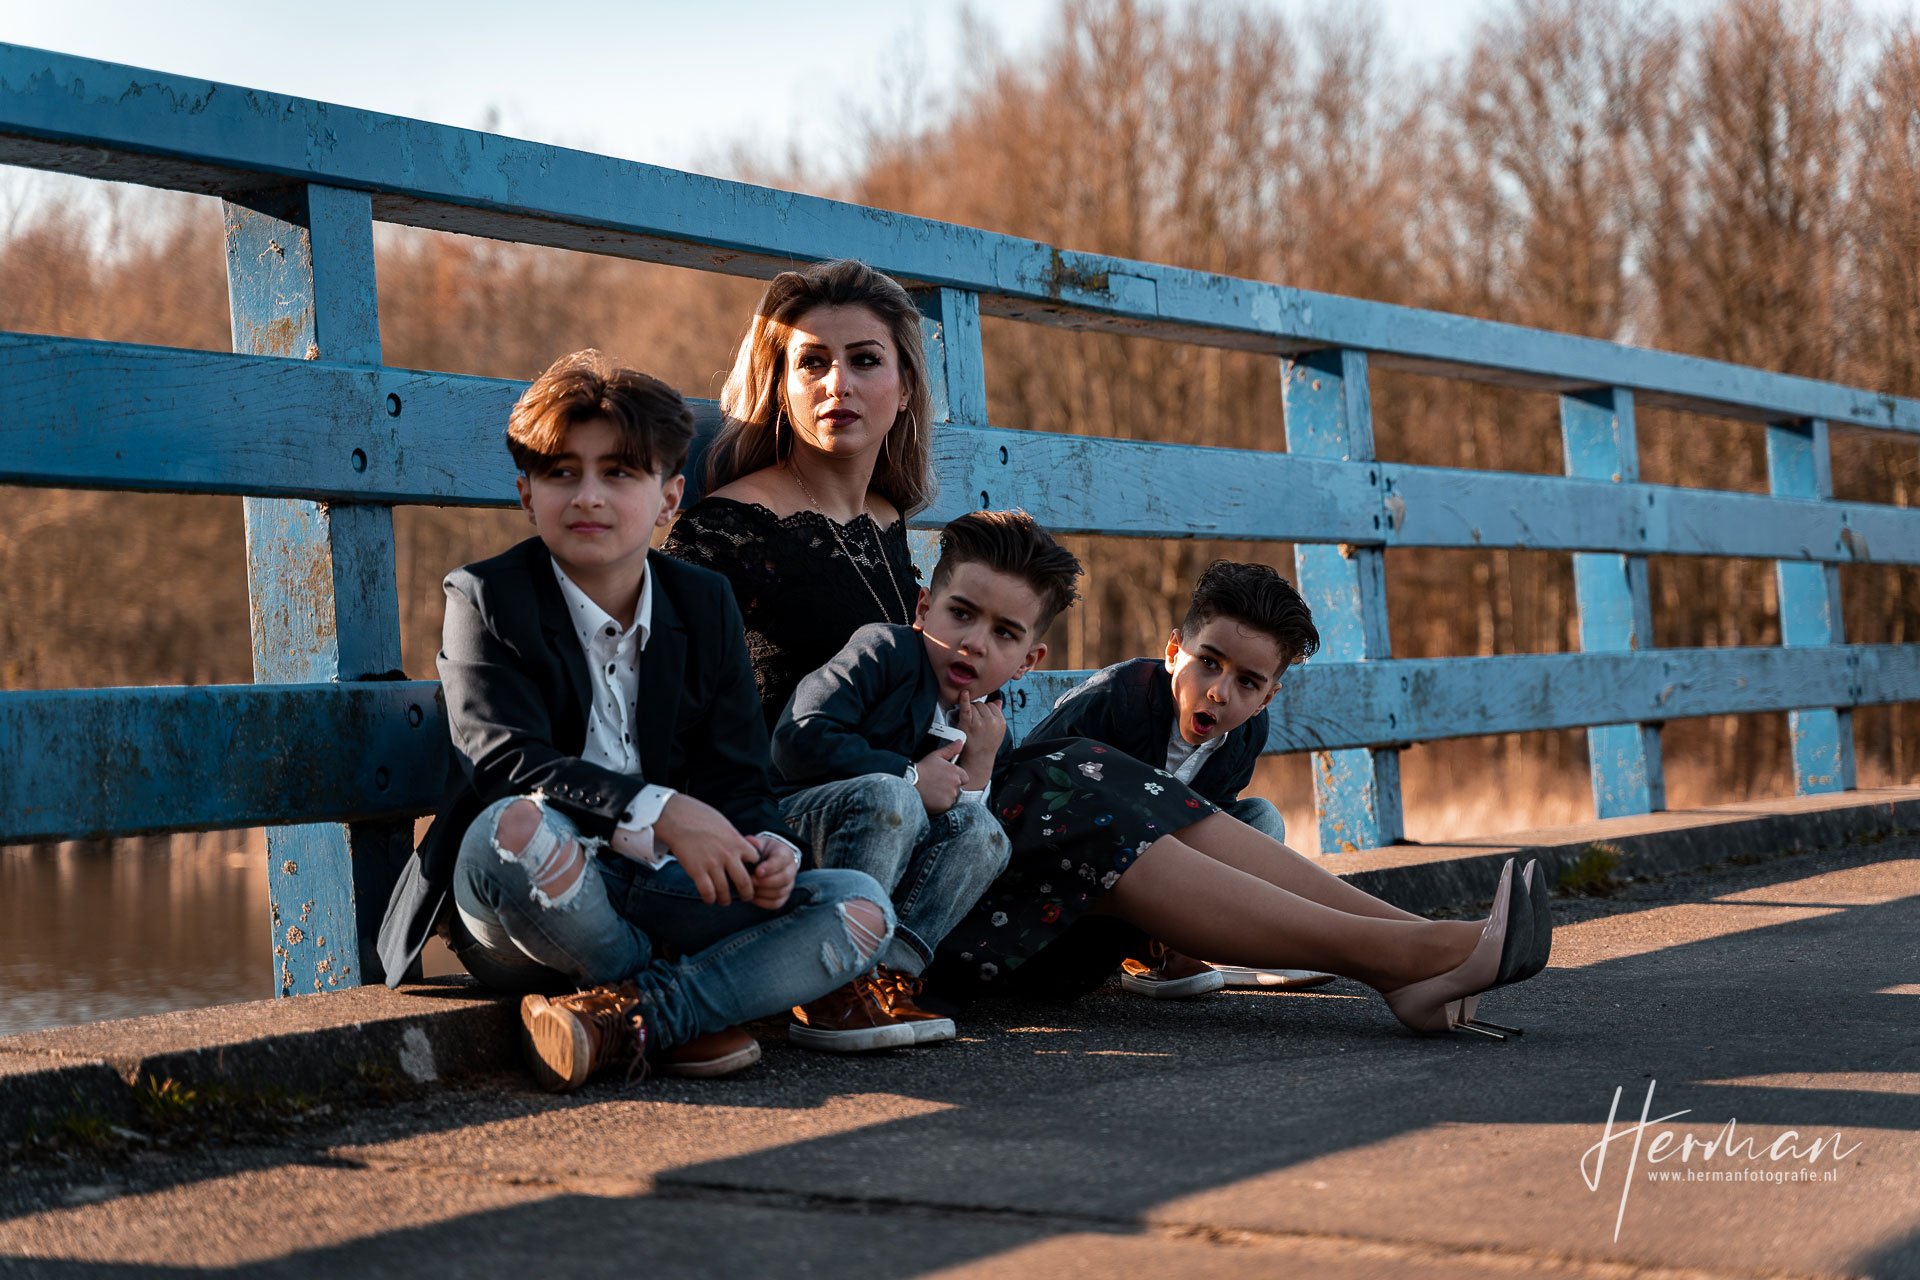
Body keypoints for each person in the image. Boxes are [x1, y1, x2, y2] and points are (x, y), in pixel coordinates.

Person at [674, 260, 1550, 1038]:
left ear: (904, 382)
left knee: (1084, 766)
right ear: (778, 384)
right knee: (1076, 784)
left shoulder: (884, 520)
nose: (838, 383)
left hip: (933, 818)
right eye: (811, 363)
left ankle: (1413, 945)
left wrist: (966, 756)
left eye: (864, 359)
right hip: (824, 848)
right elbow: (683, 723)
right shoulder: (731, 528)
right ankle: (1406, 959)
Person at [376, 350, 901, 1091]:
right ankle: (686, 1007)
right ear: (527, 494)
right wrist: (659, 809)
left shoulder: (704, 601)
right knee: (507, 833)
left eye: (619, 472)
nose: (588, 494)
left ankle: (635, 1016)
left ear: (668, 498)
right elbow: (499, 758)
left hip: (659, 889)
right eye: (562, 472)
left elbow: (739, 776)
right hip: (527, 892)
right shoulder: (486, 596)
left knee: (859, 904)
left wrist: (769, 843)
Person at [770, 513, 1064, 1050]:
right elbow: (797, 739)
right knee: (892, 795)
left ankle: (886, 978)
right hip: (793, 827)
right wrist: (908, 775)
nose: (974, 643)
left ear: (1028, 660)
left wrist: (977, 767)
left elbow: (961, 834)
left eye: (1004, 633)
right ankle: (832, 978)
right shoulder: (883, 651)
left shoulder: (986, 721)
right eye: (961, 614)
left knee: (987, 837)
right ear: (925, 608)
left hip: (885, 862)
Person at [1024, 559, 1333, 998]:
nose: (1219, 692)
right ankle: (1152, 947)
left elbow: (1211, 822)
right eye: (1208, 661)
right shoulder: (1112, 700)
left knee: (1260, 820)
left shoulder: (1244, 734)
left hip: (1169, 874)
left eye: (1247, 683)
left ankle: (1192, 944)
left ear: (1267, 698)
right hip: (1081, 878)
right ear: (1173, 653)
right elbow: (1028, 786)